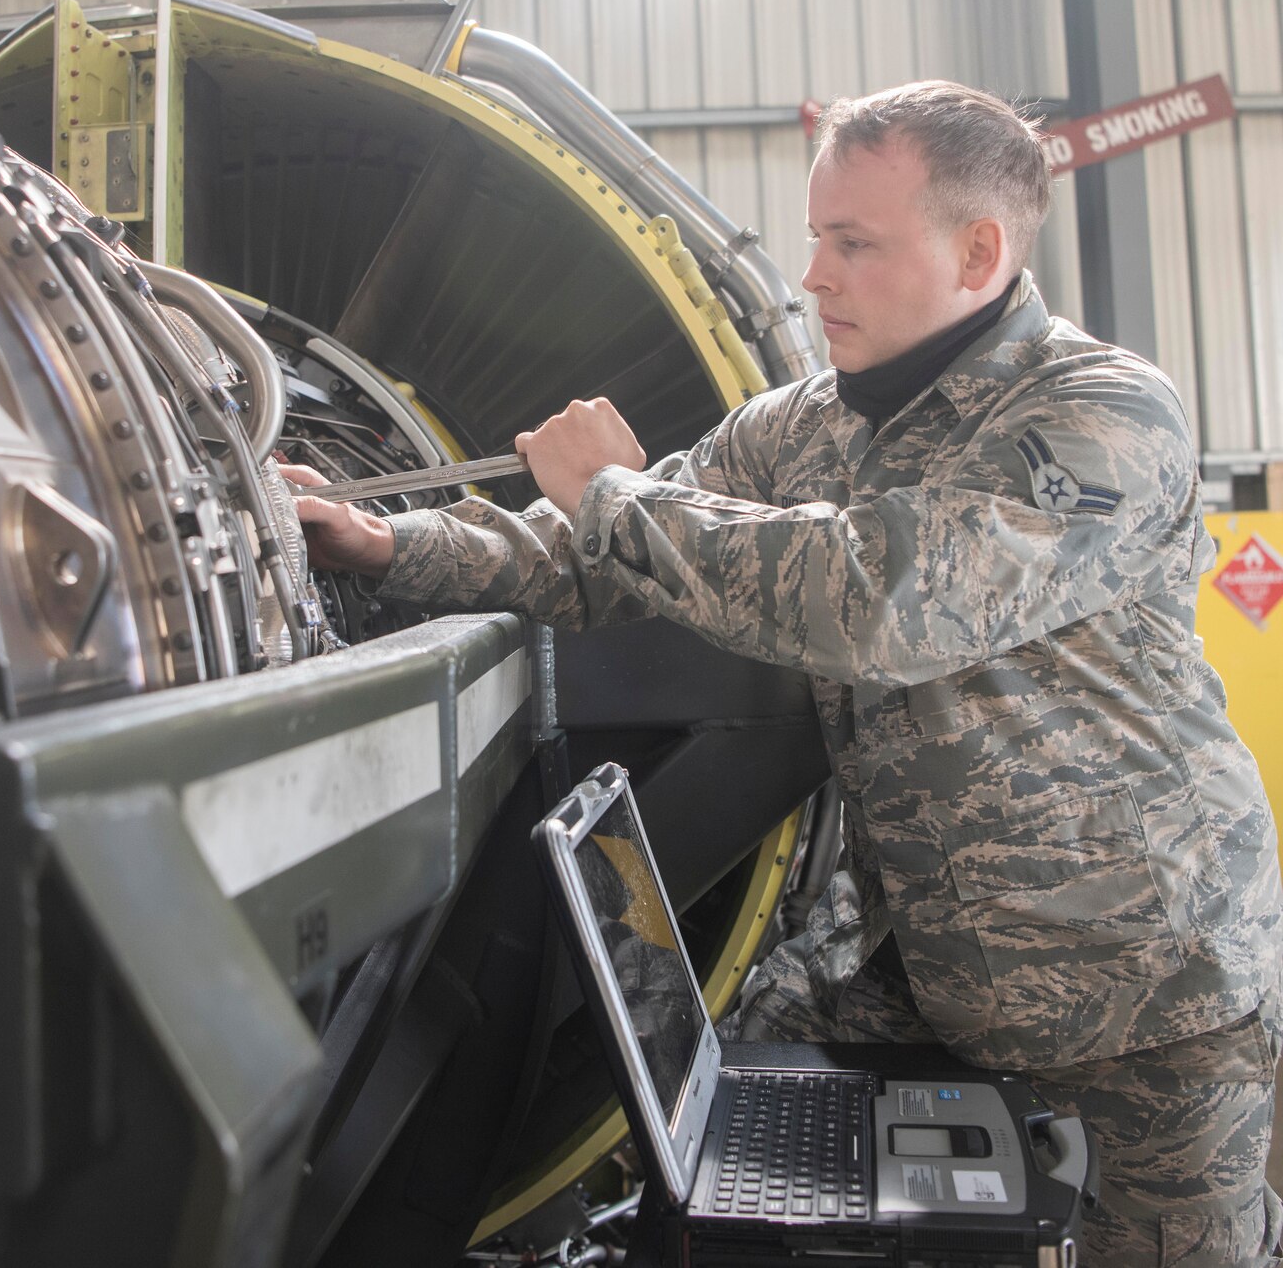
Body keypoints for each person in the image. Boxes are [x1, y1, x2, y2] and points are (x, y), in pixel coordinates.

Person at [286, 80, 1283, 1265]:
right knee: (731, 1168)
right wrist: (394, 544)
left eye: (850, 243)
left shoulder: (1099, 413)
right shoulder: (805, 424)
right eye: (812, 237)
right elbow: (605, 560)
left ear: (977, 251)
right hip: (928, 966)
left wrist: (620, 494)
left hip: (1139, 993)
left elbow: (885, 602)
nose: (813, 276)